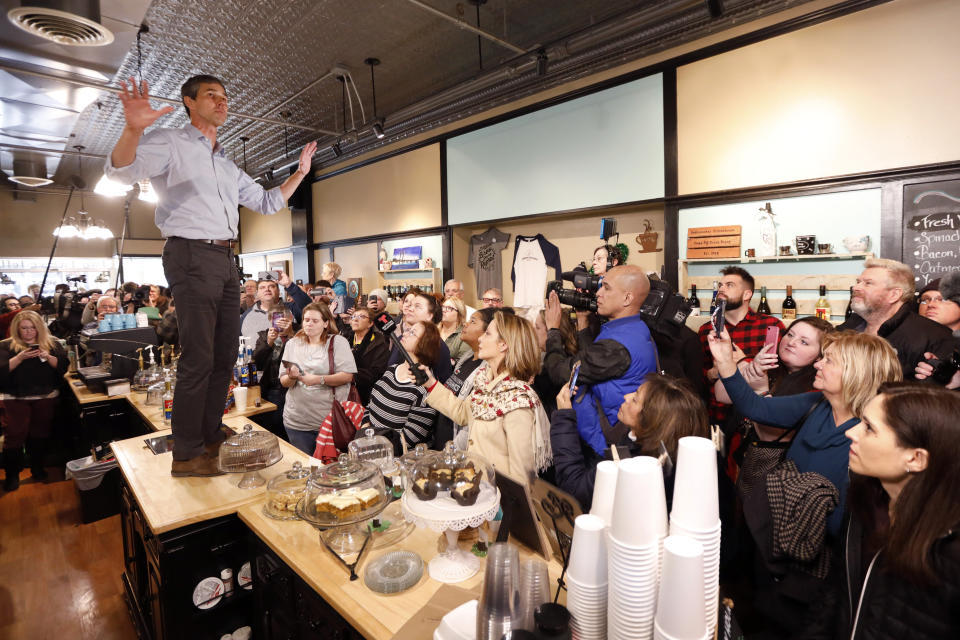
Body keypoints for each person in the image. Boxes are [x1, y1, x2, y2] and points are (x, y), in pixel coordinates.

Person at [104, 74, 317, 476]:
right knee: (199, 356)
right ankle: (185, 453)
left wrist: (301, 173)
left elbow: (270, 202)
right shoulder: (172, 142)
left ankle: (209, 432)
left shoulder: (225, 164)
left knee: (223, 355)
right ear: (189, 101)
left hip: (224, 257)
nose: (221, 102)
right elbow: (119, 172)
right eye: (211, 96)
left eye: (224, 96)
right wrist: (133, 128)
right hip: (190, 252)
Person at [708, 329, 902, 538]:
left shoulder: (872, 438)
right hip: (781, 537)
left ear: (856, 372)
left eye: (829, 360)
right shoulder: (818, 402)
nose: (817, 364)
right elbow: (755, 407)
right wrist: (725, 360)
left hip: (823, 557)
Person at [811, 382, 960, 640]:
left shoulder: (951, 550)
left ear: (915, 459)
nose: (852, 432)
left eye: (869, 428)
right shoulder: (866, 503)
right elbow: (835, 597)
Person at [551, 373, 709, 511]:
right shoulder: (642, 443)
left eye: (635, 399)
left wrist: (564, 416)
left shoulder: (630, 466)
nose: (626, 397)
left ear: (652, 421)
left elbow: (574, 489)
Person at [424, 311, 549, 483]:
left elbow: (522, 478)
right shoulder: (485, 383)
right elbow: (462, 412)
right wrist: (430, 382)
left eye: (488, 334)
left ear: (503, 345)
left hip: (496, 499)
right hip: (475, 489)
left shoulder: (517, 402)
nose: (481, 339)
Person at [568, 265, 659, 457]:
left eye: (606, 288)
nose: (598, 293)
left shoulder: (619, 343)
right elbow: (593, 361)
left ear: (627, 298)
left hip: (605, 449)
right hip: (605, 442)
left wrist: (552, 330)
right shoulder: (634, 329)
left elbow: (565, 371)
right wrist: (583, 323)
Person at [715, 316, 834, 441]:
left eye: (804, 342)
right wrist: (748, 371)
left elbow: (770, 439)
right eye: (790, 335)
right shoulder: (760, 362)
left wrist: (760, 390)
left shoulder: (816, 389)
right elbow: (720, 394)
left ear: (819, 356)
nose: (791, 342)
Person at [838, 258, 952, 379]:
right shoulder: (848, 326)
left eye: (868, 283)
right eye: (858, 282)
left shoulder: (936, 338)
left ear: (894, 295)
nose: (856, 287)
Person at [698, 266, 785, 424]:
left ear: (747, 294)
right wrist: (713, 373)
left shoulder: (770, 326)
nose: (722, 289)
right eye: (720, 285)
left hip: (755, 418)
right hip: (717, 416)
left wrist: (743, 362)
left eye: (729, 285)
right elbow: (701, 377)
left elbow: (779, 375)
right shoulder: (706, 330)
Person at [0, 310, 68, 491]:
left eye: (32, 328)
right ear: (17, 329)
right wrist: (20, 357)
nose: (29, 332)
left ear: (39, 328)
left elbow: (62, 367)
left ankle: (37, 468)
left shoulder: (51, 343)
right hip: (14, 397)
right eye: (24, 328)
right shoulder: (6, 346)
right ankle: (12, 475)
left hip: (45, 396)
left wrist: (47, 356)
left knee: (40, 434)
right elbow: (2, 371)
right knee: (14, 436)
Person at [279, 302, 356, 454]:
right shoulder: (292, 344)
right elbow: (284, 382)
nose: (309, 324)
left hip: (330, 421)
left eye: (315, 321)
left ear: (326, 323)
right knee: (306, 469)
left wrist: (318, 379)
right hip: (296, 421)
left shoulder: (337, 342)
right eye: (306, 320)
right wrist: (292, 376)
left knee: (330, 471)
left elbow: (348, 376)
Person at [431, 307, 511, 449]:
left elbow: (466, 417)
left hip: (459, 450)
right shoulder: (467, 358)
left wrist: (451, 452)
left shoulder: (489, 372)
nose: (465, 324)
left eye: (473, 321)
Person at [366, 321, 441, 453]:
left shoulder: (424, 386)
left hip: (392, 456)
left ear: (424, 343)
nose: (405, 333)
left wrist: (374, 449)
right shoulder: (392, 370)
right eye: (408, 330)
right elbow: (370, 405)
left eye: (412, 333)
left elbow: (410, 438)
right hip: (368, 443)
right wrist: (365, 432)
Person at [387, 290, 453, 383]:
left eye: (417, 306)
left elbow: (443, 383)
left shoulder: (438, 346)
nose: (410, 308)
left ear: (430, 315)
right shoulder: (402, 338)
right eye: (410, 305)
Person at [251, 306, 295, 439]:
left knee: (288, 427)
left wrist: (290, 334)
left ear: (291, 319)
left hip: (292, 386)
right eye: (276, 319)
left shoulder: (299, 334)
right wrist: (268, 343)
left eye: (284, 320)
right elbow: (256, 362)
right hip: (271, 388)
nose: (279, 323)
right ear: (271, 320)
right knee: (273, 425)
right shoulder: (265, 335)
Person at [348, 307, 390, 404]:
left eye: (361, 316)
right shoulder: (345, 339)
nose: (355, 319)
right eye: (353, 316)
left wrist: (349, 376)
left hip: (368, 395)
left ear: (370, 323)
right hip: (344, 390)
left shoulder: (379, 343)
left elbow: (376, 373)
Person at [439, 297, 471, 363]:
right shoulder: (433, 330)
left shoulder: (464, 335)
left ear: (459, 314)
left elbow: (462, 363)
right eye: (443, 307)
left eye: (449, 308)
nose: (443, 310)